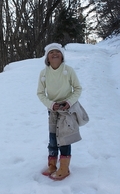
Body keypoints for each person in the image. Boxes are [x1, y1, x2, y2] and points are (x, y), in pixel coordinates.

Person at [37, 43, 89, 180]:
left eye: (57, 52)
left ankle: (64, 168)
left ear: (62, 56)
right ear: (47, 58)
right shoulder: (43, 73)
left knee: (64, 138)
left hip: (67, 110)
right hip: (53, 110)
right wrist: (50, 104)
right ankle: (52, 165)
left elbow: (77, 88)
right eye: (51, 52)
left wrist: (69, 102)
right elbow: (40, 93)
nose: (54, 54)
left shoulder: (69, 71)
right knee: (53, 138)